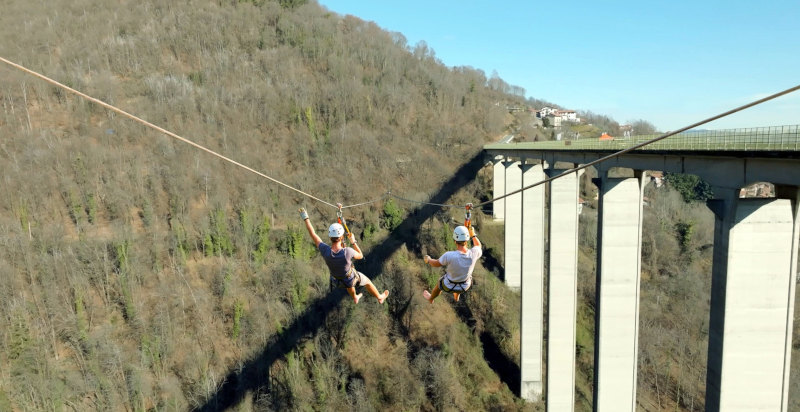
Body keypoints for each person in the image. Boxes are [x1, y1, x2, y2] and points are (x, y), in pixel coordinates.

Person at [299, 208, 389, 304]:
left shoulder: (325, 250)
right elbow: (361, 256)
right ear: (342, 237)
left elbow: (313, 234)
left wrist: (306, 218)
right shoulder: (348, 252)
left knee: (349, 285)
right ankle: (380, 297)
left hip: (336, 280)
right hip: (349, 278)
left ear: (330, 237)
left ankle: (355, 297)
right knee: (367, 281)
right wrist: (353, 241)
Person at [422, 225, 482, 303]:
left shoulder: (449, 255)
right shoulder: (474, 253)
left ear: (455, 241)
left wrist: (429, 260)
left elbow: (436, 263)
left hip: (448, 286)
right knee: (463, 276)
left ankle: (431, 298)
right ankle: (456, 296)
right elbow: (478, 246)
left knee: (439, 286)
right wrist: (473, 235)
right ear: (467, 240)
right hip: (464, 286)